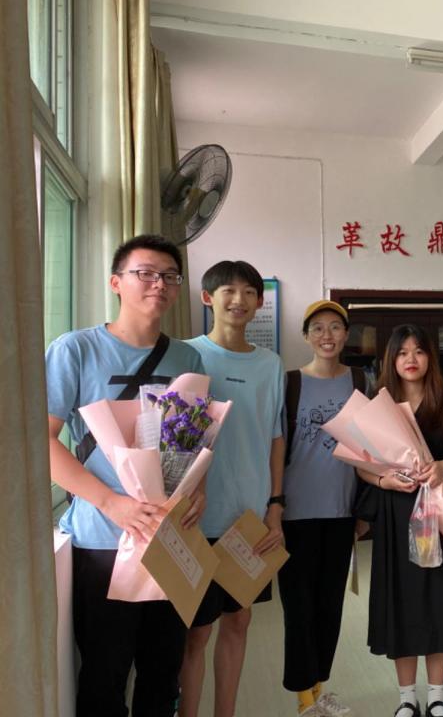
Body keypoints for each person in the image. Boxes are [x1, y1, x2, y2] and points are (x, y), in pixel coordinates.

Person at [46, 233, 205, 716]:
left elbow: (194, 444)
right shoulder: (75, 349)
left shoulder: (188, 359)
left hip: (168, 538)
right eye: (145, 273)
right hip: (102, 541)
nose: (159, 283)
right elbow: (41, 441)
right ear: (116, 282)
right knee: (104, 673)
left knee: (163, 671)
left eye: (169, 276)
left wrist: (197, 493)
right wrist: (112, 503)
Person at [179, 260, 286, 717]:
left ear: (259, 302)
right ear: (208, 298)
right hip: (195, 518)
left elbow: (276, 438)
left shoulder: (271, 364)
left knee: (239, 622)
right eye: (228, 290)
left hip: (249, 517)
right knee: (196, 632)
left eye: (249, 292)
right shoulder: (187, 355)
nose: (239, 300)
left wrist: (274, 505)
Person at [356, 324, 443, 717]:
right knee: (402, 601)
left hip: (439, 510)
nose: (411, 359)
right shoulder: (379, 404)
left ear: (430, 358)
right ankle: (407, 697)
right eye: (403, 352)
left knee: (441, 598)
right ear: (391, 359)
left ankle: (437, 695)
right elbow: (360, 464)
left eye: (419, 351)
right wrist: (383, 480)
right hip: (397, 511)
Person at [278, 300, 363, 717]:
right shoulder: (290, 382)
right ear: (306, 336)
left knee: (330, 607)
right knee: (299, 609)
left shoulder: (359, 381)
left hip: (341, 511)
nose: (327, 335)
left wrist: (363, 509)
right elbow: (276, 447)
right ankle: (303, 700)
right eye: (318, 328)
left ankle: (319, 688)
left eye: (335, 327)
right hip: (295, 514)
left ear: (345, 335)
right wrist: (273, 506)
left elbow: (371, 444)